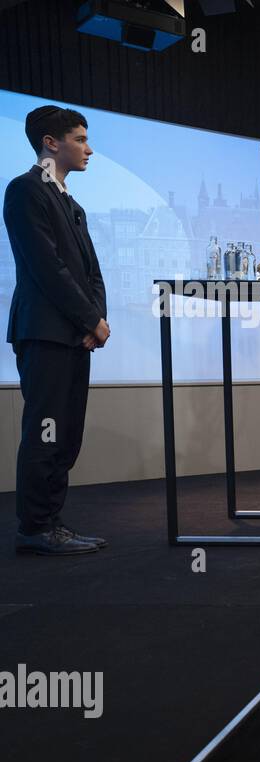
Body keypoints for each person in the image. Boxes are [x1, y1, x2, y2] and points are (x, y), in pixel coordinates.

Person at [4, 105, 109, 555]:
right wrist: (90, 319)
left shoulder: (72, 202)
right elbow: (48, 267)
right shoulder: (26, 191)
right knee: (45, 431)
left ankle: (52, 522)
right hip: (45, 333)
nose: (89, 149)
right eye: (80, 139)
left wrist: (95, 321)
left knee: (66, 434)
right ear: (52, 142)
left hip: (72, 335)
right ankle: (35, 527)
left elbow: (90, 271)